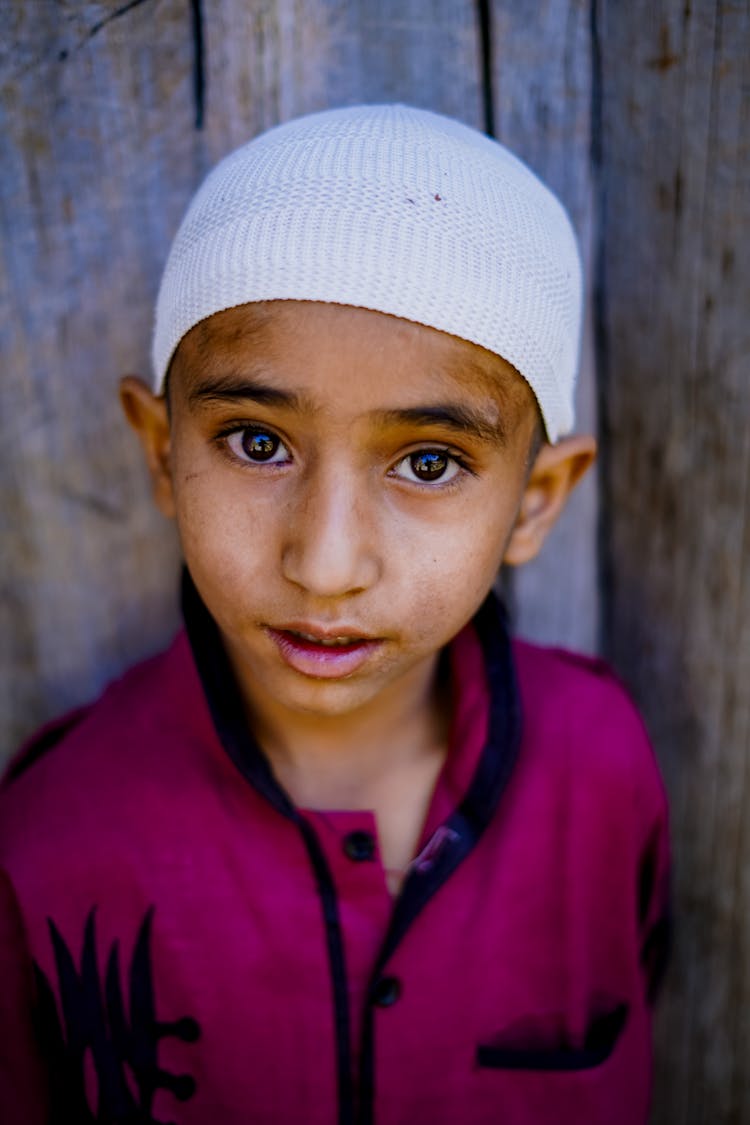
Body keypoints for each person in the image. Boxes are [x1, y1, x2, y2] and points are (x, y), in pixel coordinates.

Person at [0, 104, 669, 1125]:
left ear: (536, 501)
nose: (324, 565)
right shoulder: (53, 841)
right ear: (158, 452)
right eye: (257, 443)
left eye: (430, 462)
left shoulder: (603, 769)